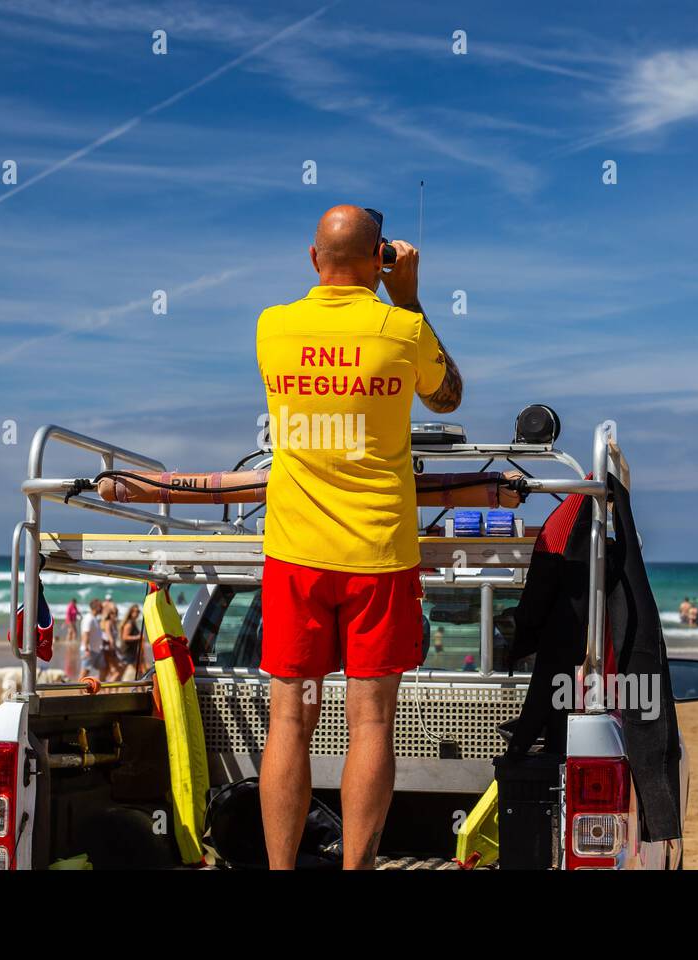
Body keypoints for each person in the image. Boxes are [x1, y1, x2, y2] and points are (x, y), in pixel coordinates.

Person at [256, 204, 462, 870]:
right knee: (369, 720)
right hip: (378, 553)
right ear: (381, 260)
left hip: (295, 552)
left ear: (313, 258)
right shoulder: (400, 329)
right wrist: (409, 297)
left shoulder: (272, 326)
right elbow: (448, 397)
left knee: (290, 718)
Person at [118, 604, 144, 679]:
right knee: (120, 672)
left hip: (132, 651)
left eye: (138, 611)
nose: (137, 613)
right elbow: (125, 637)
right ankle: (112, 688)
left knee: (137, 671)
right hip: (127, 651)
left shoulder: (133, 623)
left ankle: (140, 687)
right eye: (135, 611)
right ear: (131, 612)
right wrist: (138, 637)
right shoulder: (129, 624)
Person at [79, 601, 104, 677]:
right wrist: (86, 649)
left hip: (96, 650)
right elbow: (85, 634)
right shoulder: (89, 618)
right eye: (100, 607)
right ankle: (80, 688)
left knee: (103, 668)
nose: (102, 608)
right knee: (85, 671)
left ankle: (97, 685)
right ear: (96, 607)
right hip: (89, 650)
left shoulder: (94, 618)